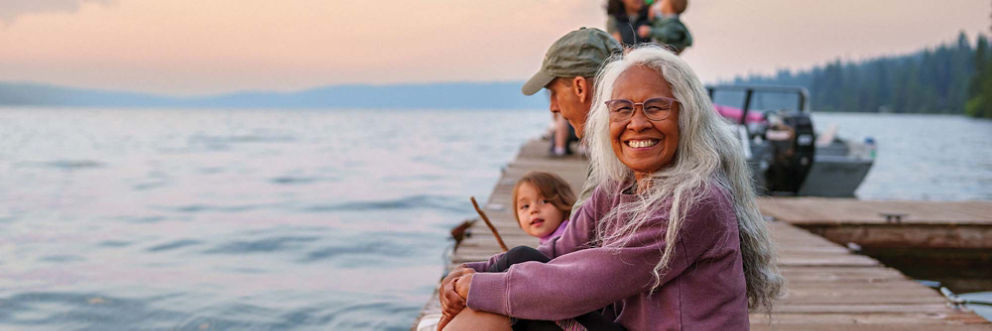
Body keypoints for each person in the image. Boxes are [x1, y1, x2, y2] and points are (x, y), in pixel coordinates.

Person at [439, 46, 783, 330]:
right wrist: (473, 272)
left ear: (687, 116)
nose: (637, 122)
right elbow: (559, 253)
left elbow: (588, 281)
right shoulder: (621, 184)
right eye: (622, 109)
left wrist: (479, 289)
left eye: (655, 107)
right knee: (519, 261)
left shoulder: (696, 200)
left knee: (518, 307)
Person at [520, 27, 623, 209]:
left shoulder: (620, 159)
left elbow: (580, 236)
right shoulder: (616, 147)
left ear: (580, 88)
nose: (553, 107)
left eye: (554, 93)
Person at [513, 172, 576, 245]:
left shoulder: (569, 237)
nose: (533, 210)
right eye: (526, 206)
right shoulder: (549, 241)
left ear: (564, 202)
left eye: (544, 201)